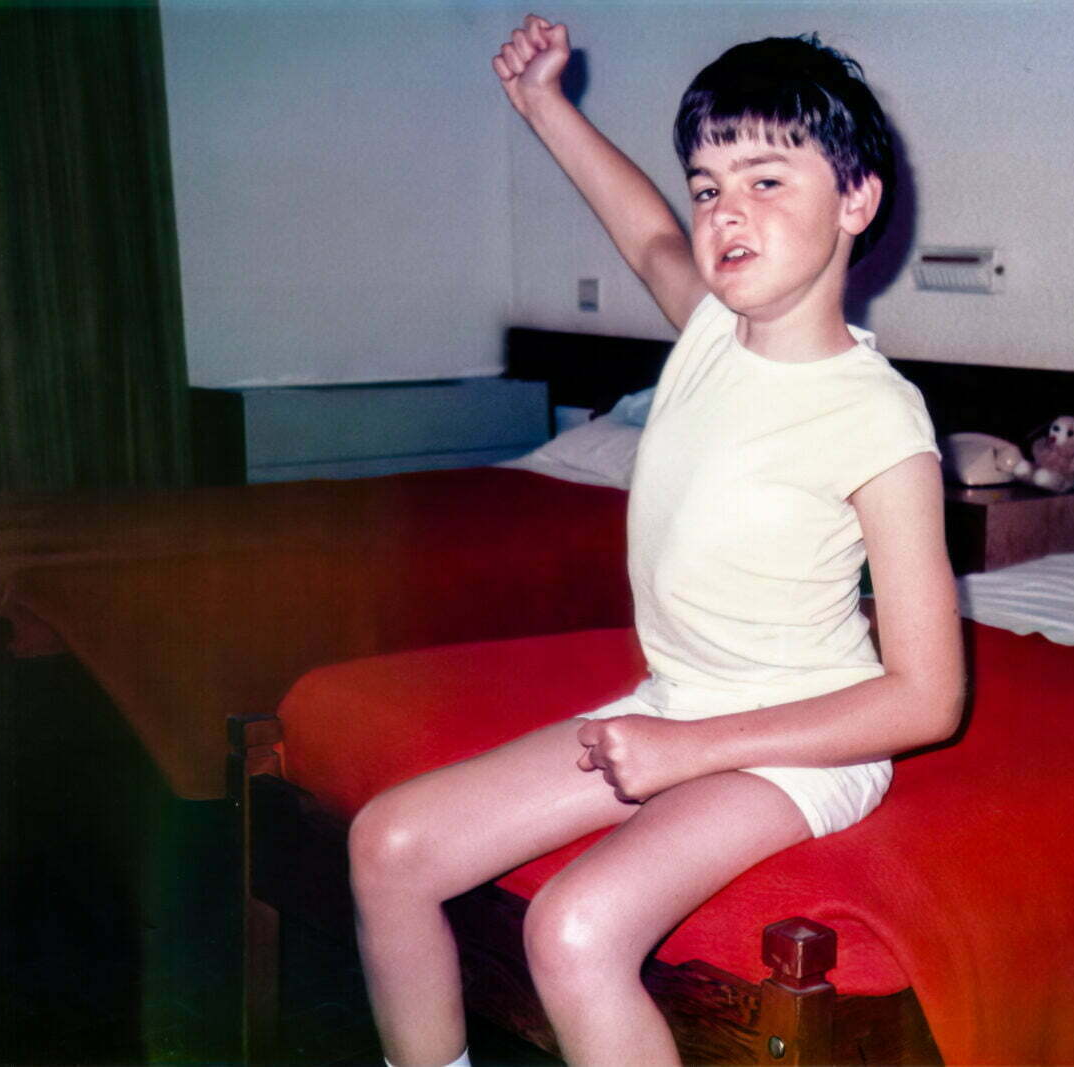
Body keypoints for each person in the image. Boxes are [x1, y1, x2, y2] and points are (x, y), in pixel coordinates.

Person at [348, 14, 965, 1067]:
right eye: (708, 185)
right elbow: (643, 233)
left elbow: (926, 699)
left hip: (805, 744)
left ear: (856, 200)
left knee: (574, 927)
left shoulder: (879, 419)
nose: (727, 210)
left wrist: (684, 752)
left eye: (767, 180)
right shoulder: (712, 334)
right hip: (678, 702)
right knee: (389, 844)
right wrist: (542, 103)